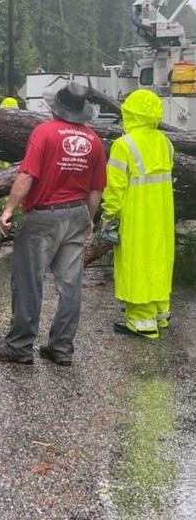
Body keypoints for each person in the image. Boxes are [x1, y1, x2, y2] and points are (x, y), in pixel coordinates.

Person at [0, 81, 106, 366]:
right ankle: (61, 348)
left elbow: (27, 175)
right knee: (70, 284)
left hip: (43, 217)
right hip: (77, 213)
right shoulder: (94, 141)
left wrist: (9, 209)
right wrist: (89, 220)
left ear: (57, 109)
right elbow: (95, 189)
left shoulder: (44, 132)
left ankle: (19, 345)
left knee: (29, 280)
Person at [101, 88, 175, 339]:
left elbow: (115, 187)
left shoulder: (124, 145)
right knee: (158, 262)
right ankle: (160, 313)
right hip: (162, 218)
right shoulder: (165, 143)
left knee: (137, 265)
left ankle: (141, 322)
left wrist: (108, 216)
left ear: (129, 113)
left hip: (136, 218)